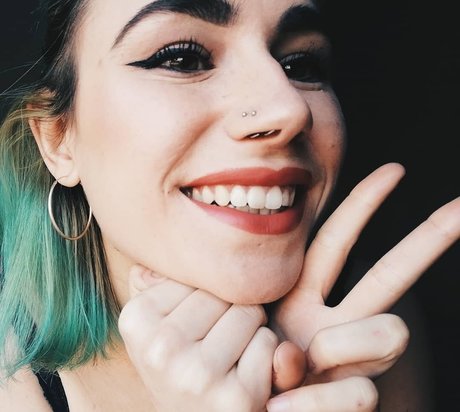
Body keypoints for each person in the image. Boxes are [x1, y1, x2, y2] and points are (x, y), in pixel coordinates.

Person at [0, 0, 458, 411]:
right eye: (182, 59)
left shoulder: (364, 325)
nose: (289, 108)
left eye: (300, 64)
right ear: (59, 140)